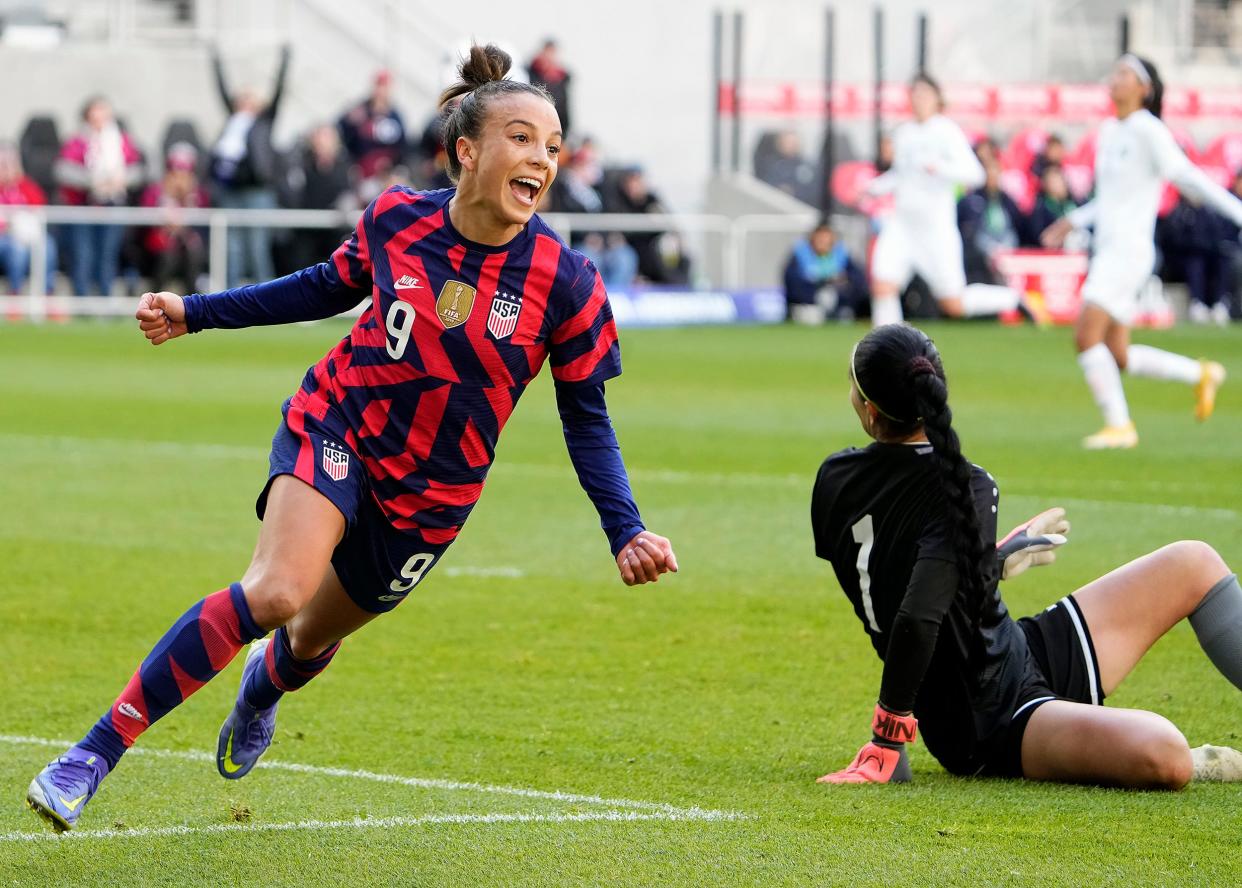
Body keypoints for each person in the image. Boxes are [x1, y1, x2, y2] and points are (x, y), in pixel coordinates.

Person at [25, 44, 678, 833]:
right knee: (275, 592)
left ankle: (265, 687)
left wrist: (626, 527)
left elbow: (587, 417)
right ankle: (91, 755)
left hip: (433, 496)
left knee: (303, 642)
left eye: (552, 144)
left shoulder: (566, 281)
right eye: (521, 136)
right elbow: (317, 288)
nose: (541, 156)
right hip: (339, 425)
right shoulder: (398, 218)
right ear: (466, 150)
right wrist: (196, 311)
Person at [812, 323, 1242, 788]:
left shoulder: (833, 479)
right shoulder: (967, 484)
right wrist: (887, 738)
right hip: (989, 722)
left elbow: (897, 570)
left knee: (1193, 563)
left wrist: (993, 559)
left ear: (872, 415)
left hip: (1017, 651)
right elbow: (916, 615)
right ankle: (1202, 761)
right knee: (1165, 753)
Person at [1042, 55, 1241, 449]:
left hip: (1128, 252)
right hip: (1109, 249)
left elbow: (1186, 176)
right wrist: (1075, 220)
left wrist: (1236, 210)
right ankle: (1201, 374)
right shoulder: (1110, 132)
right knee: (1116, 355)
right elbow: (1110, 199)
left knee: (1085, 336)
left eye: (1124, 74)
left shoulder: (1149, 130)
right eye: (1114, 72)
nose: (1114, 80)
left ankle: (1120, 426)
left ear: (1144, 89)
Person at [864, 74, 1021, 326]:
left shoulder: (946, 131)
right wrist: (874, 187)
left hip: (935, 229)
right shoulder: (903, 133)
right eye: (914, 94)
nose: (919, 100)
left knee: (952, 303)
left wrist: (940, 167)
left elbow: (975, 174)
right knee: (883, 283)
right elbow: (902, 175)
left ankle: (1013, 299)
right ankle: (888, 351)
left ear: (937, 99)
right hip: (902, 224)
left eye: (925, 94)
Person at [209, 44, 290, 287]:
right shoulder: (232, 122)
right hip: (231, 191)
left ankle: (265, 296)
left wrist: (284, 61)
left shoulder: (263, 122)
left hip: (257, 191)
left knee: (257, 246)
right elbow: (221, 90)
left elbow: (279, 93)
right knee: (232, 248)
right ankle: (230, 297)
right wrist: (216, 60)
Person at [55, 95, 145, 296]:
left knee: (108, 255)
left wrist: (120, 180)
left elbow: (138, 169)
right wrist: (92, 181)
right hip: (83, 205)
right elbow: (63, 170)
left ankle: (105, 299)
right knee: (83, 254)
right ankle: (82, 299)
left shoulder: (120, 141)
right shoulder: (77, 141)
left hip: (113, 204)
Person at [138, 142, 210, 294]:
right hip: (160, 243)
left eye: (184, 171)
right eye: (175, 171)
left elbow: (202, 219)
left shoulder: (198, 193)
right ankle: (154, 301)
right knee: (168, 258)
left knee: (193, 255)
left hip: (188, 242)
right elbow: (145, 217)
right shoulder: (155, 191)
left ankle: (193, 305)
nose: (179, 176)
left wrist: (185, 197)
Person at [956, 150, 1023, 285]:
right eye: (989, 172)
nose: (992, 176)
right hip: (979, 258)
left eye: (995, 171)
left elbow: (1019, 227)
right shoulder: (970, 200)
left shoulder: (1007, 201)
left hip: (1007, 251)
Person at [782, 221, 868, 322]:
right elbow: (793, 283)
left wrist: (843, 284)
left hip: (837, 302)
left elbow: (857, 279)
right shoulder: (800, 255)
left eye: (826, 239)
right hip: (808, 303)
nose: (823, 242)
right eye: (820, 239)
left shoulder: (842, 255)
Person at [0, 142, 57, 294]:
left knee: (47, 245)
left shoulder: (28, 186)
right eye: (3, 164)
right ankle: (15, 293)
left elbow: (39, 213)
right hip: (4, 237)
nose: (7, 168)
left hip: (28, 235)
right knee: (17, 250)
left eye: (11, 163)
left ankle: (46, 293)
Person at [337, 70, 407, 179]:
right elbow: (340, 131)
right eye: (379, 86)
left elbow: (403, 146)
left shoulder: (395, 116)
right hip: (360, 170)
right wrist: (350, 122)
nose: (381, 91)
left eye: (385, 87)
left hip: (386, 173)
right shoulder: (359, 111)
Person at [527, 39, 571, 136]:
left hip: (556, 123)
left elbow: (565, 106)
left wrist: (565, 130)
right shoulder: (530, 72)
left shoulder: (561, 77)